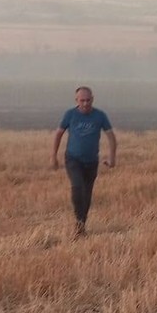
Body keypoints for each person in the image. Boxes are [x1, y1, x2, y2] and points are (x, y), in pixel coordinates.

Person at [51, 86, 116, 238]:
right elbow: (58, 134)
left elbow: (111, 136)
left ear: (92, 99)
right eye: (82, 101)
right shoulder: (70, 115)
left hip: (92, 161)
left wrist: (112, 157)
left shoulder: (100, 116)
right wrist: (53, 156)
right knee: (77, 186)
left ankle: (81, 226)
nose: (85, 103)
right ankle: (79, 222)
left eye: (88, 100)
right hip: (73, 159)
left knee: (86, 195)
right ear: (77, 100)